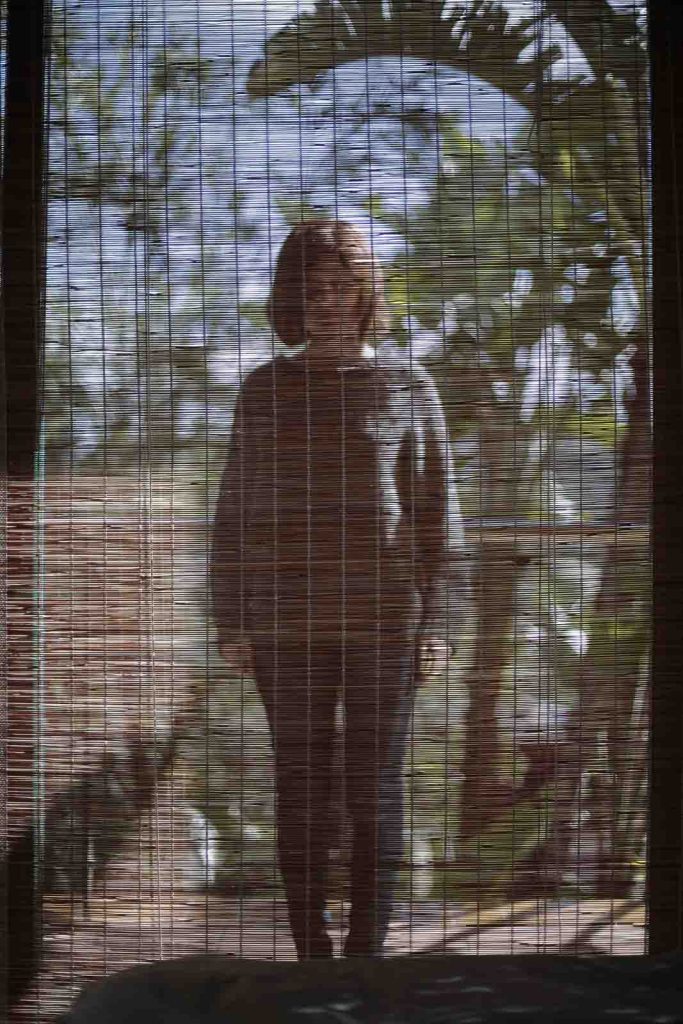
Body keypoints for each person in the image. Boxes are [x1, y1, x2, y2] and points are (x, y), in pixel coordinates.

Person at [211, 219, 469, 959]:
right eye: (311, 288)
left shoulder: (408, 385)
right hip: (284, 620)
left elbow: (437, 509)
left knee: (373, 785)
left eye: (341, 285)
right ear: (291, 298)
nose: (326, 299)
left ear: (365, 294)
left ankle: (366, 953)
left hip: (385, 619)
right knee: (300, 785)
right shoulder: (265, 389)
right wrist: (232, 619)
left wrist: (440, 622)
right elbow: (235, 507)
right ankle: (310, 952)